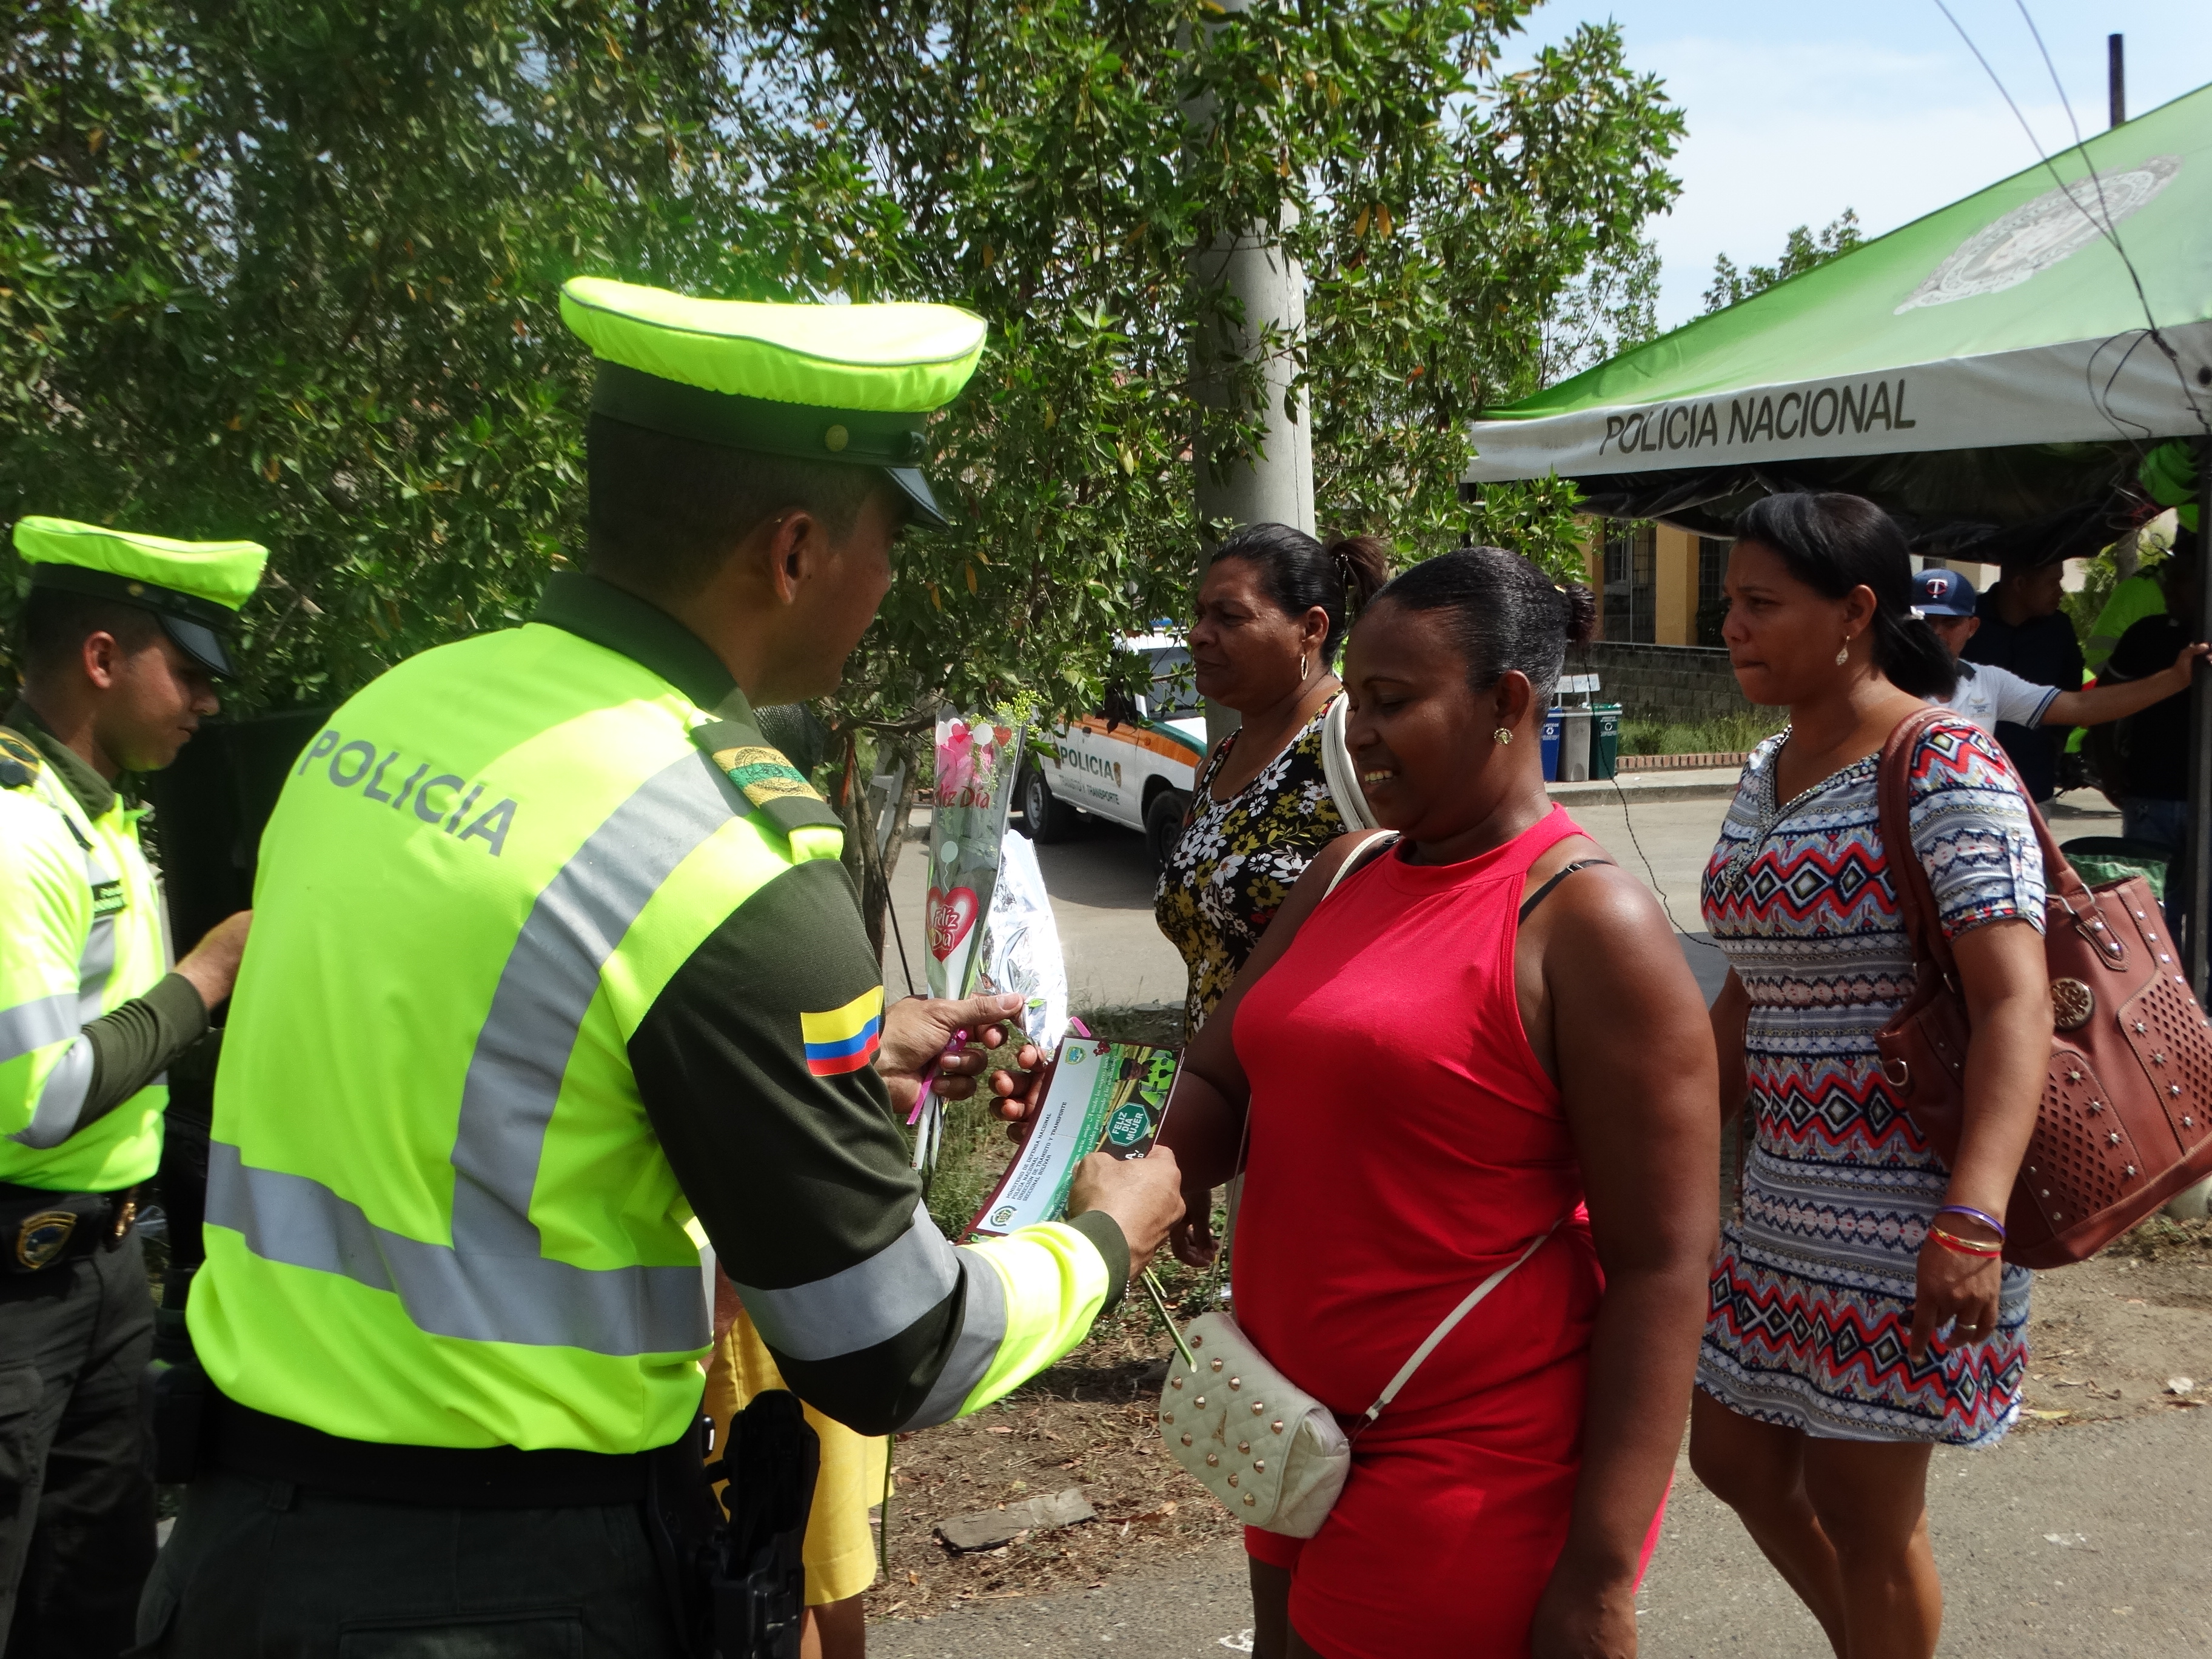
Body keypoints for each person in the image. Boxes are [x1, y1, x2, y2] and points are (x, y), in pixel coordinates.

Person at [138, 279, 1184, 1656]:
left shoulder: (382, 719)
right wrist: (1103, 1238)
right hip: (493, 1593)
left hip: (232, 1555)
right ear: (794, 550)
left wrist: (812, 1069)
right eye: (889, 542)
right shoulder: (727, 845)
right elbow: (893, 1345)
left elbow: (480, 1066)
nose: (889, 584)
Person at [1134, 547, 1718, 1659]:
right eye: (1357, 699)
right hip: (1283, 1428)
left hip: (1465, 1457)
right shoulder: (1347, 871)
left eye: (1393, 702)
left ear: (1507, 704)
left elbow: (1662, 1266)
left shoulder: (1589, 926)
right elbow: (1218, 1077)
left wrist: (1601, 1576)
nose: (1356, 731)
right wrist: (1122, 1162)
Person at [1692, 493, 2052, 1659]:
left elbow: (2014, 1001)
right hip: (1781, 1201)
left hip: (1907, 1208)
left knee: (1864, 1507)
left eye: (1759, 604)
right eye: (1728, 602)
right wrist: (1667, 1144)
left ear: (1853, 612)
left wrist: (1973, 1216)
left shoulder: (1945, 763)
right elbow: (1748, 986)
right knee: (1731, 1456)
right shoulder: (1767, 767)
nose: (1730, 627)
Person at [0, 517, 259, 1657]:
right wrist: (207, 977)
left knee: (98, 1603)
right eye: (188, 672)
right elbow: (39, 1101)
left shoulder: (98, 809)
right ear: (102, 658)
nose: (207, 701)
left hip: (99, 1267)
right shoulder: (16, 831)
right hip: (17, 1293)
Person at [1153, 524, 1390, 1032]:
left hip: (1317, 1068)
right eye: (1200, 614)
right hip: (1215, 1072)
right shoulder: (1218, 763)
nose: (1198, 634)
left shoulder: (1356, 741)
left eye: (1229, 617)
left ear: (1311, 629)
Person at [1914, 566, 2205, 739]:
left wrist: (2177, 678)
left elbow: (2082, 707)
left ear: (1972, 627)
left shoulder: (1988, 683)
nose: (1936, 633)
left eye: (1950, 623)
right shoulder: (1885, 683)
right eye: (1925, 622)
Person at [2087, 530, 2202, 914]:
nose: (2167, 587)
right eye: (2167, 576)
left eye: (2180, 578)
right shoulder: (2146, 635)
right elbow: (2102, 705)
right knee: (2153, 914)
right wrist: (2108, 767)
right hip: (2151, 798)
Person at [1957, 556, 2082, 803]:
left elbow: (2072, 690)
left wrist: (2056, 741)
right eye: (2053, 582)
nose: (2061, 592)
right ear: (2020, 584)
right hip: (1965, 783)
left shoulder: (2059, 630)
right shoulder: (1962, 623)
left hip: (2033, 783)